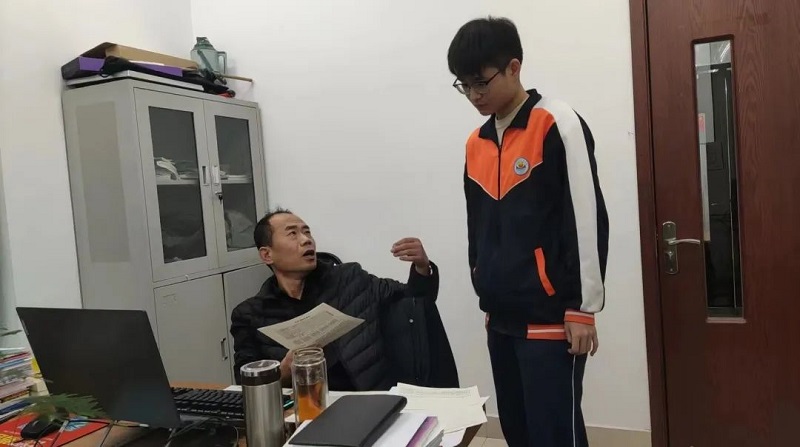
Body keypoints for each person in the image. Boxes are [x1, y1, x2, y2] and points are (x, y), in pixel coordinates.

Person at [447, 17, 609, 447]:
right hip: (500, 317)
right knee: (517, 432)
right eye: (464, 85)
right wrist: (482, 279)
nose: (474, 95)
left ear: (514, 67)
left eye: (481, 82)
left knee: (555, 435)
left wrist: (582, 308)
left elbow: (586, 216)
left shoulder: (556, 122)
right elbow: (477, 226)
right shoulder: (476, 142)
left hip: (552, 319)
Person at [230, 209, 438, 391]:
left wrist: (422, 266)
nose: (306, 240)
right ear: (267, 255)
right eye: (292, 234)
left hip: (369, 401)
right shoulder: (250, 314)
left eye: (307, 232)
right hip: (300, 410)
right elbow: (245, 383)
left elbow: (415, 299)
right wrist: (283, 372)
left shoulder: (351, 280)